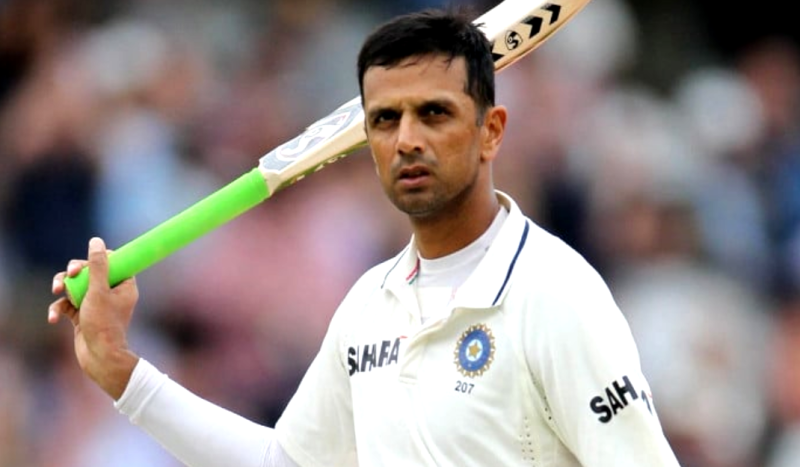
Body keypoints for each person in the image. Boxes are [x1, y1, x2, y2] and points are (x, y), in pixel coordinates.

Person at [48, 7, 682, 467]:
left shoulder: (557, 294)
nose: (406, 139)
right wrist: (123, 373)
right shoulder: (368, 306)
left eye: (434, 113)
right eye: (384, 119)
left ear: (491, 131)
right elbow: (287, 462)